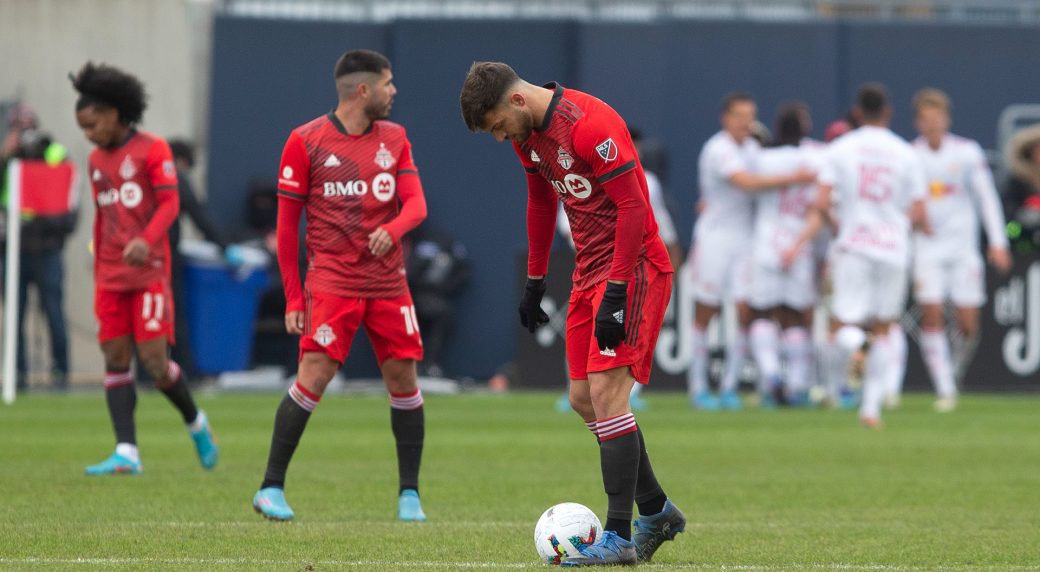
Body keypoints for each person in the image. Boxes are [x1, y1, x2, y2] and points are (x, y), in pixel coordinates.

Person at [460, 62, 685, 566]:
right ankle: (656, 509)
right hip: (588, 270)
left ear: (517, 101)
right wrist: (536, 279)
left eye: (497, 126)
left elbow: (633, 209)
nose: (500, 138)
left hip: (636, 265)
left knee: (608, 394)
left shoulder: (591, 126)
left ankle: (621, 536)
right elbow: (540, 204)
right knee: (583, 399)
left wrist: (618, 289)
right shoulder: (528, 137)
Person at [253, 49, 429, 523]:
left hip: (389, 284)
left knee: (403, 379)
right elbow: (287, 230)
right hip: (332, 282)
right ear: (363, 90)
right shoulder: (305, 141)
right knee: (313, 375)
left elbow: (416, 206)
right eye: (388, 84)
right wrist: (294, 295)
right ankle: (271, 487)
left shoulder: (395, 138)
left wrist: (391, 231)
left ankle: (409, 495)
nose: (394, 93)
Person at [71, 62, 218, 474]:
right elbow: (103, 216)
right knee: (115, 357)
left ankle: (197, 423)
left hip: (150, 273)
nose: (89, 134)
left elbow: (171, 204)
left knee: (154, 364)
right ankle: (127, 452)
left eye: (92, 124)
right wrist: (98, 259)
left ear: (116, 113)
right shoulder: (97, 160)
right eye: (83, 127)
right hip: (111, 276)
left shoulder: (153, 149)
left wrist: (146, 240)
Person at [784, 83, 929, 428]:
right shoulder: (906, 153)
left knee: (843, 323)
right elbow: (920, 212)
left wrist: (839, 224)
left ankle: (846, 367)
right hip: (893, 247)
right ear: (889, 112)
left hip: (853, 244)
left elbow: (821, 200)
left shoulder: (841, 149)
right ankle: (871, 409)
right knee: (884, 327)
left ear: (858, 112)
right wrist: (894, 225)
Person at [688, 92, 814, 411]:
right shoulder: (718, 149)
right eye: (740, 115)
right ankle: (699, 387)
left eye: (751, 115)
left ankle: (729, 388)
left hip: (745, 241)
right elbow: (746, 182)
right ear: (725, 118)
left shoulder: (754, 148)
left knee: (745, 312)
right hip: (715, 239)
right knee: (707, 311)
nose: (747, 121)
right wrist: (795, 178)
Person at [909, 88, 1011, 412]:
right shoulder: (911, 155)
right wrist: (913, 218)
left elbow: (986, 198)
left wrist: (998, 242)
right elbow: (903, 202)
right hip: (927, 248)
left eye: (937, 118)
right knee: (932, 313)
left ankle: (953, 371)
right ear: (918, 123)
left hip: (963, 249)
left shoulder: (967, 153)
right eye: (926, 119)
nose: (932, 125)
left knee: (967, 325)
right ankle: (944, 387)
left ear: (947, 120)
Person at [747, 102, 823, 406]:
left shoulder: (761, 159)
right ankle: (795, 386)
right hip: (799, 244)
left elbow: (747, 186)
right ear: (804, 129)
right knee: (794, 317)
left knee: (762, 313)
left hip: (767, 241)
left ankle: (771, 378)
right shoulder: (817, 158)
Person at [0, 105, 76, 391]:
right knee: (14, 316)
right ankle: (17, 372)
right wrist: (6, 156)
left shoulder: (53, 152)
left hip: (47, 248)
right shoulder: (8, 156)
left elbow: (67, 194)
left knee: (53, 311)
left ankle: (61, 370)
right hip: (14, 249)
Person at [166, 138, 229, 379]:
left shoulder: (144, 176)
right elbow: (200, 217)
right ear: (182, 161)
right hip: (165, 256)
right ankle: (186, 373)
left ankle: (147, 372)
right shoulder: (175, 179)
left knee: (146, 319)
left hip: (138, 257)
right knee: (174, 316)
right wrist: (224, 246)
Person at [405, 222, 471, 378]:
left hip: (429, 295)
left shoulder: (438, 240)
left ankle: (429, 365)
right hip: (398, 295)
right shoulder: (395, 240)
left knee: (441, 315)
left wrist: (446, 287)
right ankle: (405, 366)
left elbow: (464, 269)